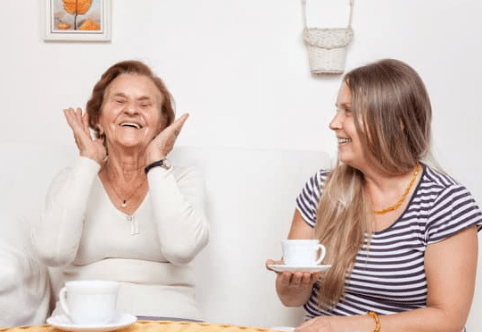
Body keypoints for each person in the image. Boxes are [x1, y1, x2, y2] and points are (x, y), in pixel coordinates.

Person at [266, 59, 482, 332]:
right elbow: (291, 299)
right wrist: (291, 284)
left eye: (349, 111)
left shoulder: (445, 203)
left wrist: (352, 326)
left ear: (397, 122)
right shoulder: (320, 190)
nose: (334, 123)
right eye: (337, 110)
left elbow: (448, 319)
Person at [31, 60, 210, 321]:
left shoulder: (183, 180)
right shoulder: (72, 179)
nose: (131, 110)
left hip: (173, 322)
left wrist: (156, 162)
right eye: (119, 101)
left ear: (161, 125)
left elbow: (181, 249)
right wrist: (88, 161)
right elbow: (52, 253)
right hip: (84, 323)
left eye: (145, 104)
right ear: (98, 119)